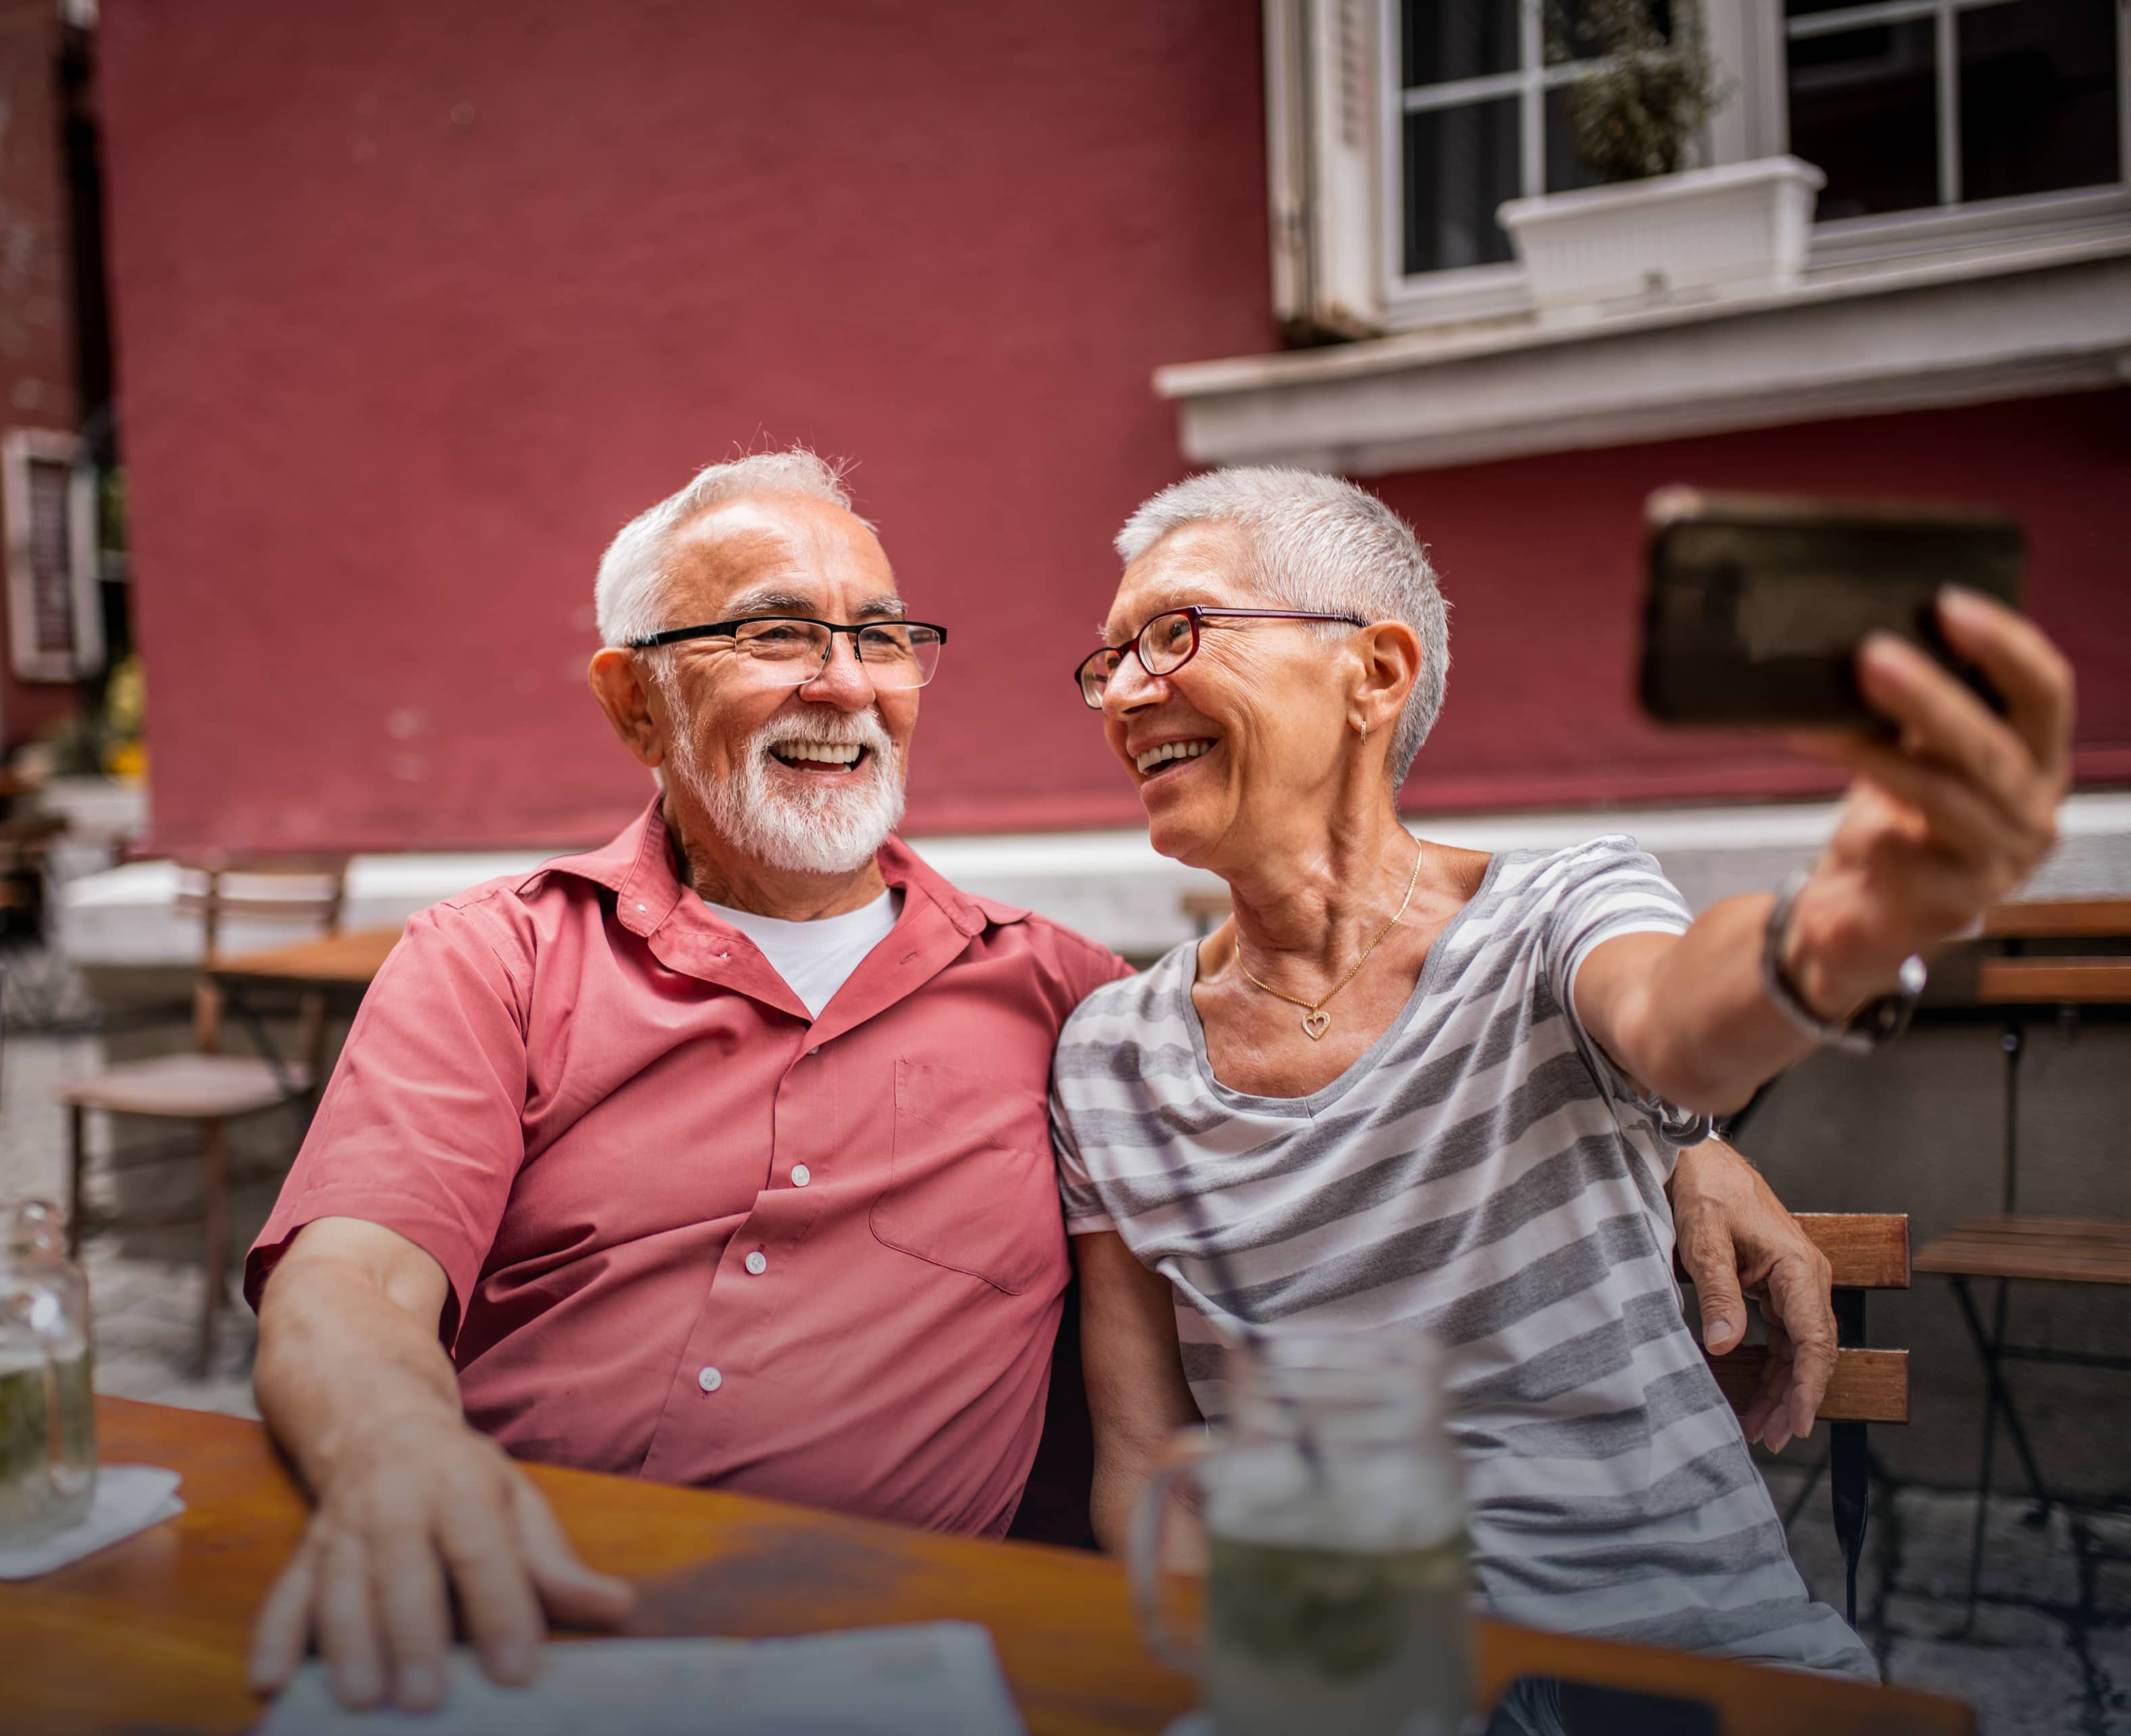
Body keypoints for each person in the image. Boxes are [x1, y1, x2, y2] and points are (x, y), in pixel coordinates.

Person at [241, 450, 1846, 1710]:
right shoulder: (496, 956)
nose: (845, 680)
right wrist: (397, 1453)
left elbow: (1576, 1014)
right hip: (518, 1609)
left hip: (890, 1665)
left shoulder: (1060, 999)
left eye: (882, 636)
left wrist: (1679, 1130)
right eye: (778, 633)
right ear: (631, 697)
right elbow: (348, 1285)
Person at [1054, 467, 2072, 1676]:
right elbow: (1139, 1463)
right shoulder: (1113, 1057)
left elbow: (1679, 1019)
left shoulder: (1556, 910)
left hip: (1675, 1659)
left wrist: (1825, 944)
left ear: (1374, 672)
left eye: (1173, 634)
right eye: (1106, 660)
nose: (1123, 692)